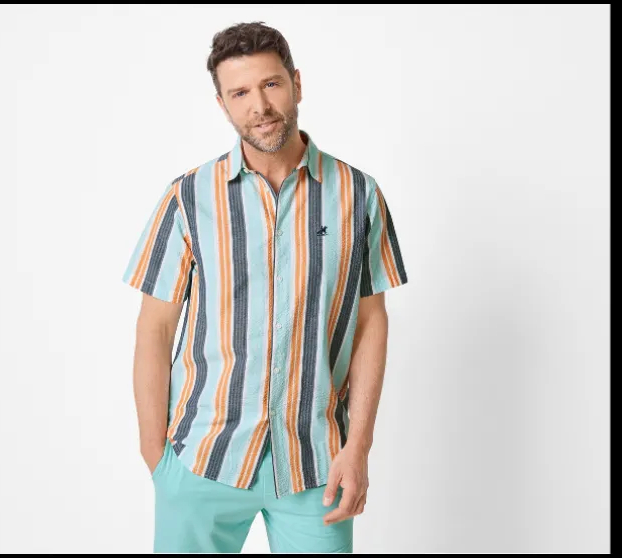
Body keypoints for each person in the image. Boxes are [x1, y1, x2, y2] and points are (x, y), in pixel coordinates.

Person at [122, 21, 409, 554]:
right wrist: (156, 455)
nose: (259, 105)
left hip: (315, 464)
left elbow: (371, 322)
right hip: (202, 457)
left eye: (271, 84)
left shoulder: (358, 194)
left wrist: (358, 447)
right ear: (222, 104)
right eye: (240, 93)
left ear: (296, 83)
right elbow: (155, 329)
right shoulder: (188, 197)